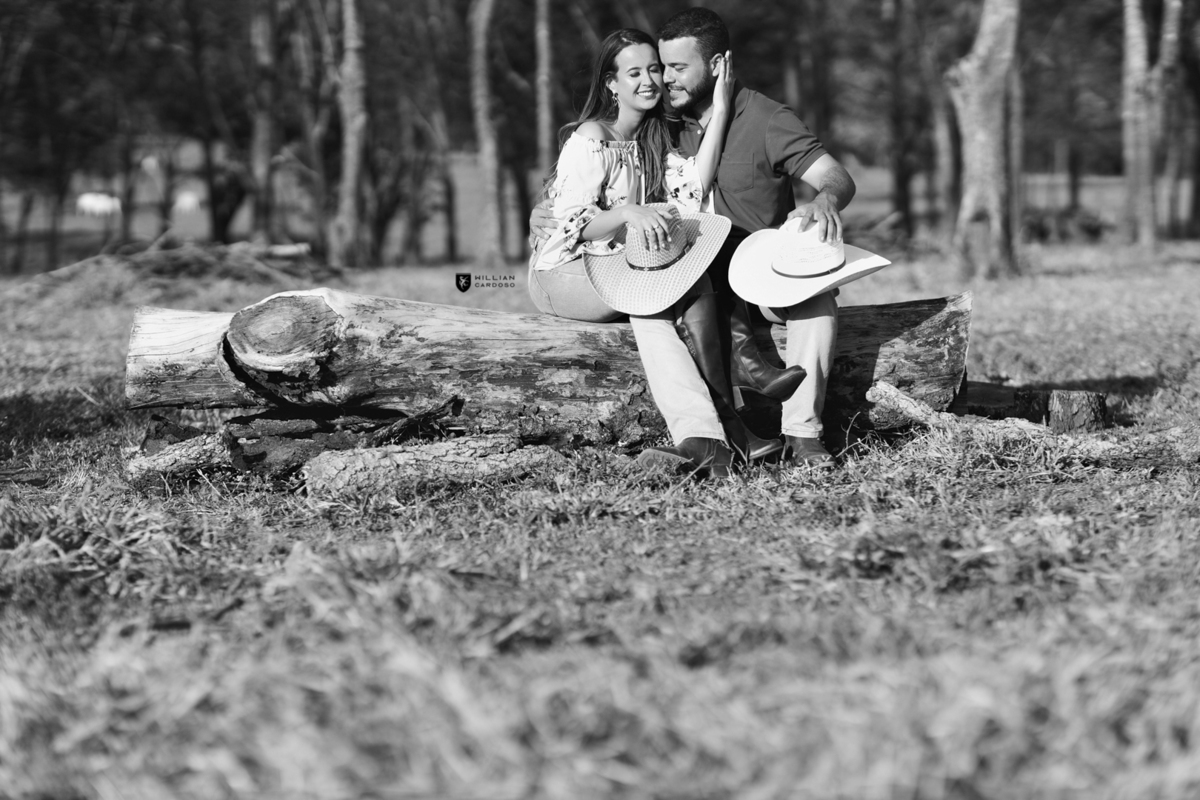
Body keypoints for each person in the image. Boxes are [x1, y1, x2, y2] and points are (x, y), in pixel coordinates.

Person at [533, 9, 857, 469]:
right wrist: (544, 212)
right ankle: (721, 431)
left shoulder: (763, 119)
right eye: (656, 68)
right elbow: (581, 190)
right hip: (681, 270)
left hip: (755, 273)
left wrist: (825, 199)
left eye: (673, 68)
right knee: (655, 294)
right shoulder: (663, 124)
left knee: (817, 300)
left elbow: (834, 177)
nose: (662, 79)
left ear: (719, 65)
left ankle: (801, 436)